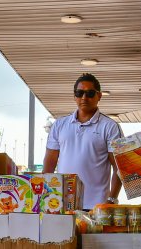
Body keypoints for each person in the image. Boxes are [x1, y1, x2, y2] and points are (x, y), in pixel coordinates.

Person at [43, 73, 124, 209]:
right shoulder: (59, 125)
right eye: (79, 93)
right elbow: (49, 162)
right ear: (74, 96)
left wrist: (111, 199)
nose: (84, 98)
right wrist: (44, 196)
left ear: (99, 96)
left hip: (97, 206)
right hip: (62, 204)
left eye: (90, 93)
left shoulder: (110, 127)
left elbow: (119, 166)